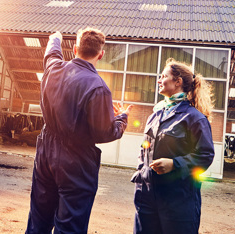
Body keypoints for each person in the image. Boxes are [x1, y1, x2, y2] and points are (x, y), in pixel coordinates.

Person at [26, 28, 132, 233]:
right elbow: (105, 133)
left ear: (74, 49)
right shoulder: (98, 87)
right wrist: (122, 118)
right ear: (100, 55)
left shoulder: (53, 69)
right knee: (70, 225)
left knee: (38, 219)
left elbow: (52, 53)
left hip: (46, 153)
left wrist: (55, 38)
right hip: (76, 159)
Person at [131, 59, 215, 234]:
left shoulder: (194, 118)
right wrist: (142, 172)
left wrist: (175, 164)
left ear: (178, 82)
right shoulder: (155, 115)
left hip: (178, 200)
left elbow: (205, 155)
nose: (159, 80)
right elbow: (144, 148)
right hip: (147, 196)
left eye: (163, 76)